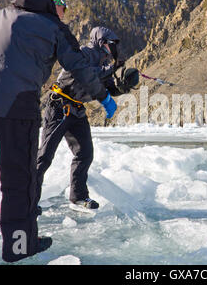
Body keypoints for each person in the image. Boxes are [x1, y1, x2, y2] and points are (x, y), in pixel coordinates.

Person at [0, 0, 116, 264]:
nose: (65, 13)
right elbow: (79, 67)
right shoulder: (53, 26)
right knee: (18, 180)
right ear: (54, 4)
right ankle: (19, 247)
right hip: (15, 106)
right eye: (64, 7)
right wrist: (105, 96)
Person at [36, 26, 139, 210]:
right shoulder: (83, 53)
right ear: (102, 42)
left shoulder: (105, 63)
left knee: (85, 154)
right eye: (111, 43)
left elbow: (106, 88)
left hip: (77, 110)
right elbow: (87, 77)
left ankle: (78, 197)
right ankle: (27, 198)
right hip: (59, 106)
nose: (113, 48)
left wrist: (123, 87)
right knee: (44, 156)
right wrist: (110, 70)